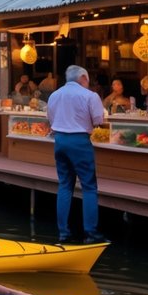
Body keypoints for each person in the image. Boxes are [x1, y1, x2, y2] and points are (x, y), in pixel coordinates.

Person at [45, 65, 105, 244]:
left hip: (60, 141)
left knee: (64, 185)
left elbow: (50, 119)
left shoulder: (54, 95)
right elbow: (98, 121)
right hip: (79, 141)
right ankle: (91, 232)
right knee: (89, 186)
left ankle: (64, 232)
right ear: (83, 78)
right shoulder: (90, 96)